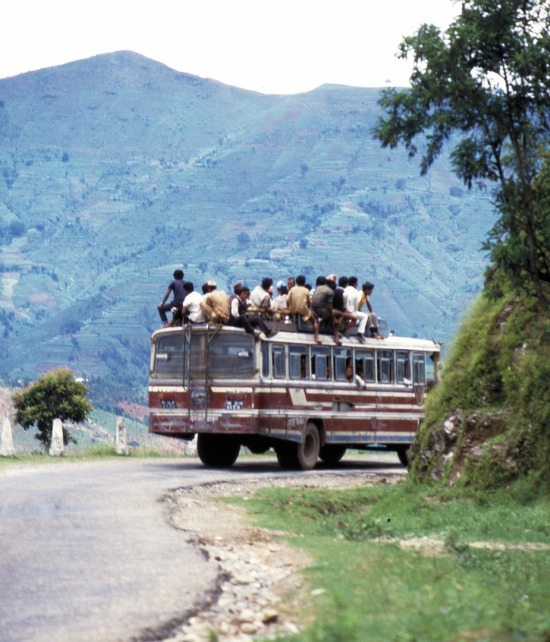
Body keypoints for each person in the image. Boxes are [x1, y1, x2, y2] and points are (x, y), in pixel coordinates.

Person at [282, 274, 322, 343]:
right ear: (304, 283)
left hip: (293, 310)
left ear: (296, 282)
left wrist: (289, 307)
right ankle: (316, 337)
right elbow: (309, 303)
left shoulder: (292, 290)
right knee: (314, 321)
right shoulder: (306, 290)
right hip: (303, 311)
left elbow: (287, 300)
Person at [311, 276, 342, 345]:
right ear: (331, 285)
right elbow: (329, 307)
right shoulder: (330, 291)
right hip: (321, 311)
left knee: (317, 319)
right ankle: (336, 336)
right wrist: (333, 318)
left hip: (313, 309)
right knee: (339, 314)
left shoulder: (318, 287)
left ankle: (317, 335)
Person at [344, 276, 369, 342]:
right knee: (364, 316)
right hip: (351, 311)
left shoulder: (344, 289)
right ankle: (360, 333)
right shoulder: (356, 292)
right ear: (354, 284)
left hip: (342, 311)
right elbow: (356, 306)